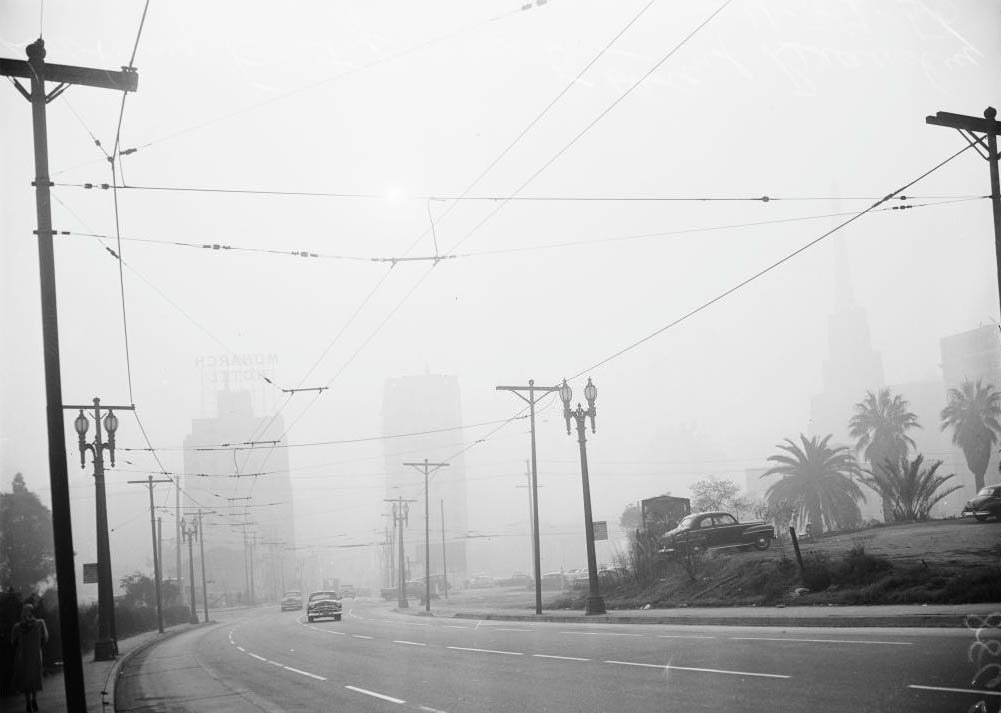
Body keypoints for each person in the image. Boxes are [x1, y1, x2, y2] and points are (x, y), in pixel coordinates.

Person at [11, 603, 48, 712]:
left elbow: (13, 642)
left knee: (26, 679)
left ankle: (28, 701)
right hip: (36, 654)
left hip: (23, 656)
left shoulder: (17, 627)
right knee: (35, 677)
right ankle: (34, 699)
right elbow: (45, 639)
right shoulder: (40, 623)